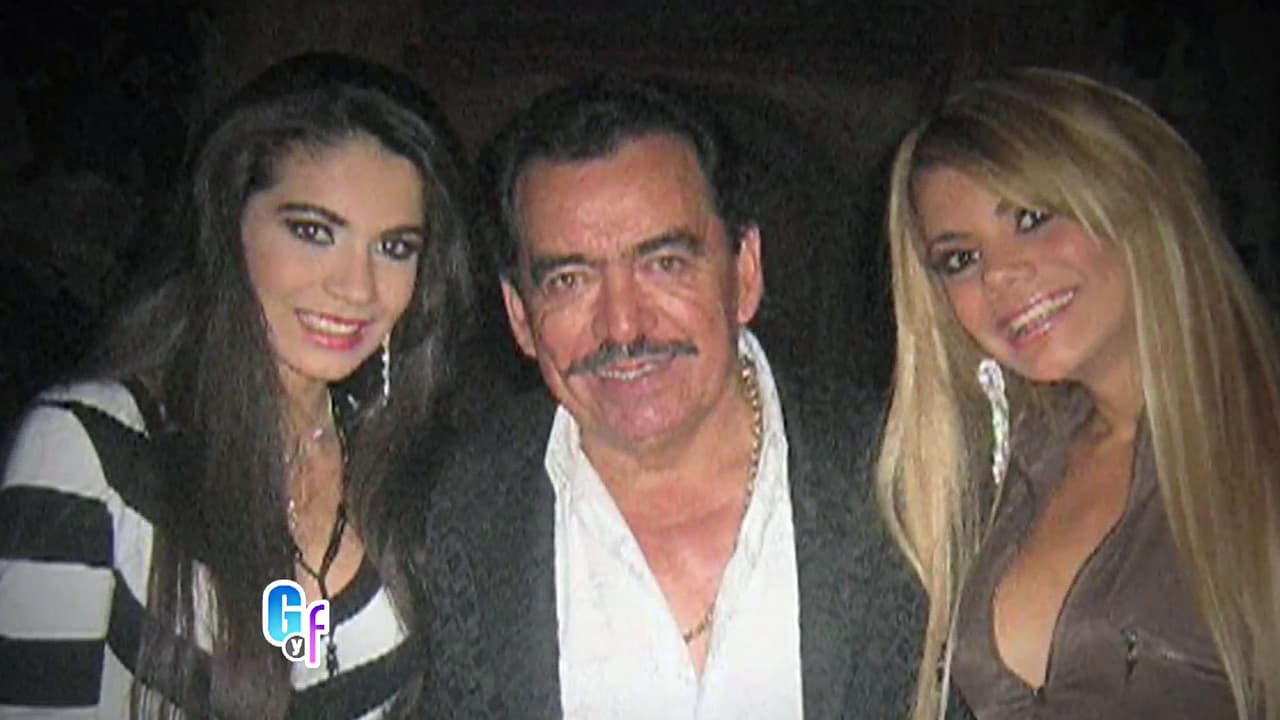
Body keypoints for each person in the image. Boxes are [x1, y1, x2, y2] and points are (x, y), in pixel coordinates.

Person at [398, 74, 921, 719]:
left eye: (665, 264)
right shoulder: (458, 508)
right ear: (519, 316)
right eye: (569, 280)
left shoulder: (904, 479)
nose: (623, 326)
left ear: (744, 273)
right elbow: (308, 657)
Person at [0, 53, 472, 718]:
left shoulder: (398, 454)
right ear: (229, 225)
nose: (357, 288)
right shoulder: (89, 452)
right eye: (313, 232)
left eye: (394, 247)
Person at [876, 67, 1280, 720]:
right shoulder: (1007, 472)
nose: (1000, 274)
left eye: (1032, 219)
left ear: (1128, 196)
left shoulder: (1259, 447)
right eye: (960, 259)